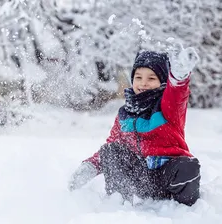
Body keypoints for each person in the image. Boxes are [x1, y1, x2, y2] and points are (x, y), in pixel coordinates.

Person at [68, 45, 201, 206]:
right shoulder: (125, 114)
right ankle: (118, 203)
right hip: (142, 178)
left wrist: (178, 77)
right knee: (111, 151)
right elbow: (112, 145)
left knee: (187, 166)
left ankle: (185, 210)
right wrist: (91, 166)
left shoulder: (168, 108)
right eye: (138, 77)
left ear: (163, 81)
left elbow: (177, 94)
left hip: (168, 175)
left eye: (151, 78)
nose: (143, 83)